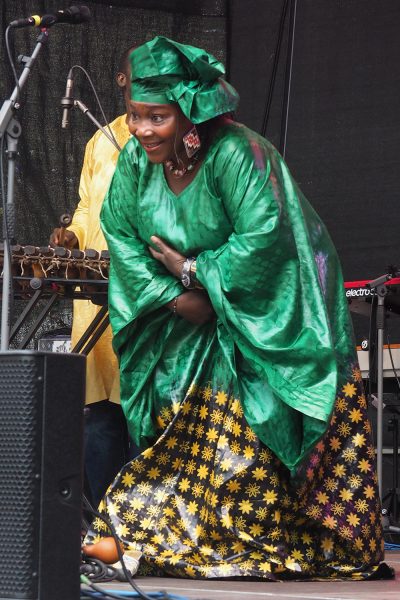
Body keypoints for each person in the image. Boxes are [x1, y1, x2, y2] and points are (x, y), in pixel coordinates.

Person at [84, 36, 393, 580]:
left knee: (253, 443)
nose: (142, 131)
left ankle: (247, 540)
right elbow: (124, 238)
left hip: (268, 319)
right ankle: (165, 538)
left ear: (188, 112)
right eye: (135, 116)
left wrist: (195, 271)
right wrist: (176, 297)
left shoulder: (239, 155)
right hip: (186, 327)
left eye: (157, 117)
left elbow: (266, 238)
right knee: (176, 446)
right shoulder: (135, 163)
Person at [50, 47, 135, 509]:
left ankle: (149, 529)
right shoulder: (101, 140)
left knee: (145, 415)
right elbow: (87, 208)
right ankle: (107, 524)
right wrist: (72, 238)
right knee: (99, 418)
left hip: (144, 296)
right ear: (121, 81)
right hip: (96, 296)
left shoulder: (166, 138)